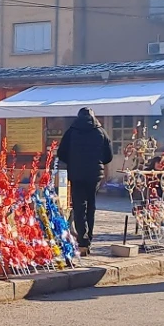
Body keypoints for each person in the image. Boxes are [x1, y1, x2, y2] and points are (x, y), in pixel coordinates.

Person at [56, 107, 113, 256]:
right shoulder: (101, 132)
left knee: (79, 206)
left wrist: (73, 161)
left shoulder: (72, 131)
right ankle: (89, 238)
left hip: (77, 174)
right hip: (94, 175)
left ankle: (83, 240)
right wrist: (98, 161)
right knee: (91, 206)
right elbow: (109, 156)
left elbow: (61, 153)